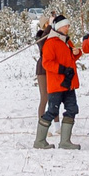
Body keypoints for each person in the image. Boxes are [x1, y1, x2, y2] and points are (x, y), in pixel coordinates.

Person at [35, 13, 80, 150]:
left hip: (69, 83)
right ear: (59, 27)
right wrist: (61, 69)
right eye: (66, 26)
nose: (68, 28)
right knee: (52, 111)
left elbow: (70, 60)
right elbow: (47, 63)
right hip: (57, 84)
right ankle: (40, 140)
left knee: (72, 109)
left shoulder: (66, 42)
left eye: (68, 25)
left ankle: (65, 141)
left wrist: (76, 53)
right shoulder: (51, 43)